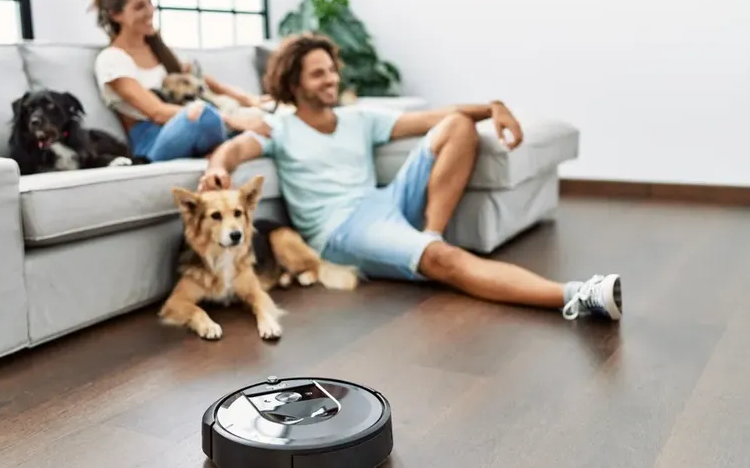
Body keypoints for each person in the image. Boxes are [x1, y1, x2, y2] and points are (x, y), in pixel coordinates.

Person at [197, 33, 623, 321]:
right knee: (447, 261)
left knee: (458, 125)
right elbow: (235, 149)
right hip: (341, 231)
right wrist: (218, 168)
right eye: (318, 73)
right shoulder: (279, 128)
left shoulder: (359, 118)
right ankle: (576, 296)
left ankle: (430, 236)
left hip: (383, 200)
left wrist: (493, 107)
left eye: (331, 69)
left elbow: (435, 118)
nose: (332, 79)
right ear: (294, 83)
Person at [85, 0, 267, 162]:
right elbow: (157, 112)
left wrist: (249, 99)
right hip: (152, 140)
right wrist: (231, 119)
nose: (150, 11)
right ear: (115, 15)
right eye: (139, 6)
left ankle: (222, 149)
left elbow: (200, 80)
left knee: (268, 122)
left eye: (150, 2)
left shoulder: (158, 50)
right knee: (205, 116)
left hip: (190, 119)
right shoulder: (112, 59)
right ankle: (225, 144)